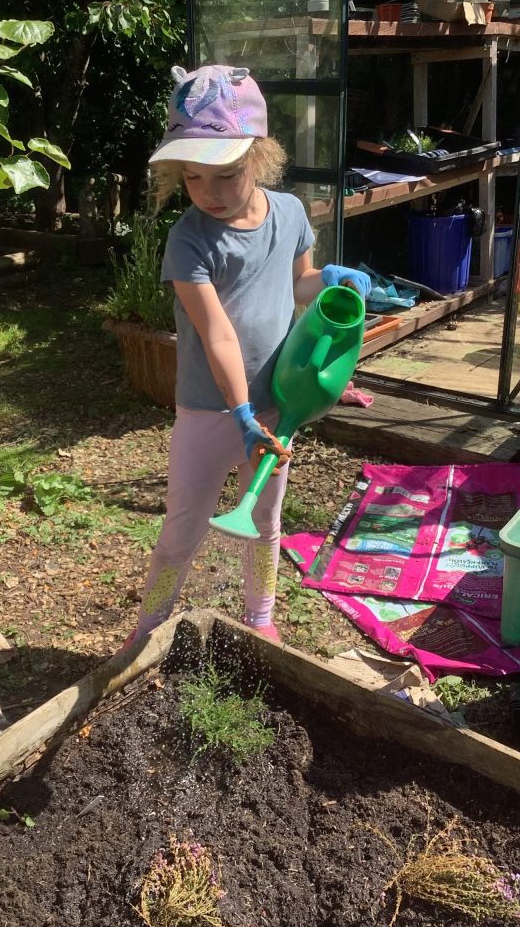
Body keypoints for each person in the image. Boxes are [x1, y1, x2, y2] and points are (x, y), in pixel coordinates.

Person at [125, 64, 371, 646]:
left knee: (265, 524)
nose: (209, 192)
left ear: (259, 156)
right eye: (192, 178)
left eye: (226, 175)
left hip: (278, 405)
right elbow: (217, 334)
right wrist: (240, 414)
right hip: (214, 413)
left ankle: (261, 620)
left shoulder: (288, 213)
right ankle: (146, 632)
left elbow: (298, 285)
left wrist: (329, 279)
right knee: (181, 532)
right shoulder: (188, 239)